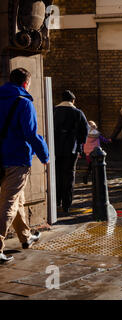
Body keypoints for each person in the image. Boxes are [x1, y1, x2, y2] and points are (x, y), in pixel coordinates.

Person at [0, 68, 49, 263]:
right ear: (25, 84)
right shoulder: (24, 103)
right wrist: (44, 154)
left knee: (18, 200)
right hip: (17, 159)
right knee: (9, 203)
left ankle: (26, 237)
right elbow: (31, 134)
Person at [54, 90, 89, 213]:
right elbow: (85, 131)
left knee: (57, 174)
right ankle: (66, 204)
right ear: (73, 100)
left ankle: (56, 200)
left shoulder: (54, 110)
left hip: (55, 148)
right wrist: (80, 146)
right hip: (71, 149)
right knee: (69, 175)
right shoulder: (77, 112)